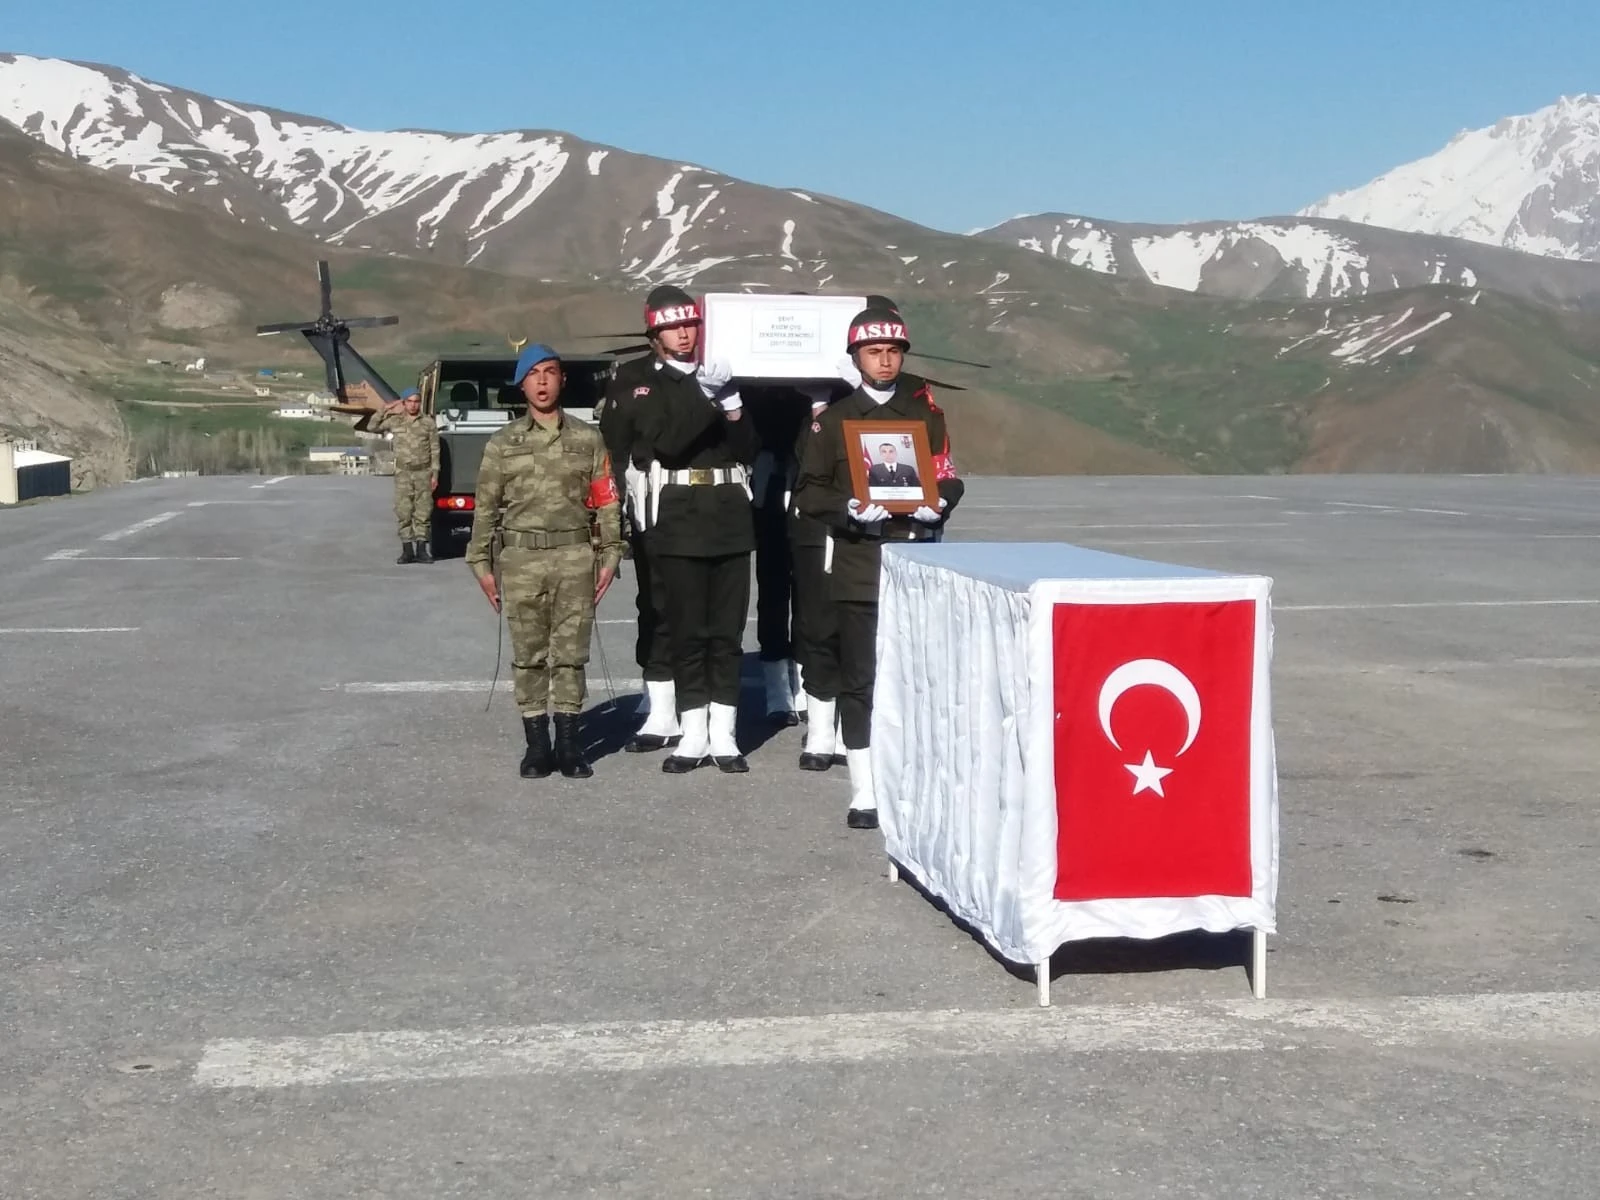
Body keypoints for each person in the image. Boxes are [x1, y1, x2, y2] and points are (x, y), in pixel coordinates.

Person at [793, 305, 964, 827]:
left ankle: (912, 780)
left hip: (917, 556)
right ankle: (864, 789)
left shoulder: (926, 416)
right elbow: (808, 491)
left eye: (893, 352)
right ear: (856, 358)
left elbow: (947, 474)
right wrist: (847, 507)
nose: (885, 361)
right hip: (861, 559)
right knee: (862, 676)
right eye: (874, 352)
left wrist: (943, 502)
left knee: (917, 675)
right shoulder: (836, 420)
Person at [465, 344, 623, 780]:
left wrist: (611, 554)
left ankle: (570, 745)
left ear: (562, 380)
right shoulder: (503, 444)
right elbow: (485, 508)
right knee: (529, 656)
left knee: (570, 655)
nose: (541, 381)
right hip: (520, 559)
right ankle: (537, 746)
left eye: (549, 372)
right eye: (532, 374)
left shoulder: (588, 439)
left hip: (575, 557)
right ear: (521, 384)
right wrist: (481, 565)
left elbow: (607, 501)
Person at [628, 288, 759, 773]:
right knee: (687, 631)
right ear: (656, 336)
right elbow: (670, 443)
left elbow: (748, 448)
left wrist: (735, 404)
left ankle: (724, 734)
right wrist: (707, 397)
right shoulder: (649, 385)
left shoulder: (724, 379)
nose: (685, 334)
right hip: (679, 514)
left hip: (728, 513)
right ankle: (692, 731)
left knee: (726, 632)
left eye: (691, 325)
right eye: (673, 327)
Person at [600, 331, 681, 754]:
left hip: (703, 500)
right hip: (649, 496)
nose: (684, 333)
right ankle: (661, 702)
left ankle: (698, 700)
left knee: (702, 605)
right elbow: (614, 439)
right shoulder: (631, 376)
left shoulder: (710, 372)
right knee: (655, 600)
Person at [746, 381, 816, 727]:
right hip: (769, 480)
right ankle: (777, 691)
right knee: (772, 591)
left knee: (808, 591)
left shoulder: (820, 384)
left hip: (810, 483)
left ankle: (804, 684)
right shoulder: (754, 384)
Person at [369, 387, 439, 563]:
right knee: (404, 511)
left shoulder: (428, 423)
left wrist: (435, 474)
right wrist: (386, 408)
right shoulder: (395, 421)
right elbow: (372, 426)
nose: (413, 405)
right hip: (403, 473)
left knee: (423, 512)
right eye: (410, 401)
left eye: (416, 401)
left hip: (423, 471)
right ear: (404, 402)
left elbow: (435, 450)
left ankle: (422, 550)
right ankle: (407, 550)